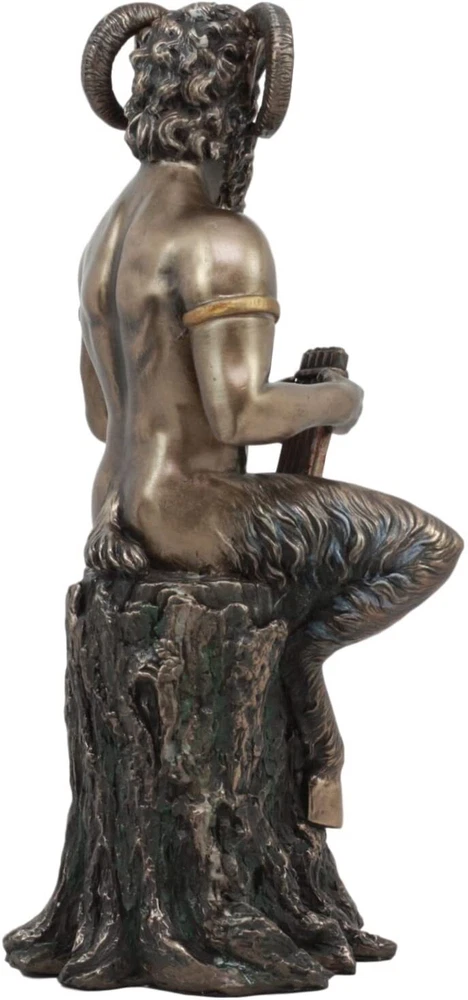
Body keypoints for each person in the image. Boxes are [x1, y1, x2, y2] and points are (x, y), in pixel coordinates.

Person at [80, 3, 463, 826]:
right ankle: (299, 656)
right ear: (243, 107)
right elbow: (241, 416)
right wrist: (336, 401)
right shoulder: (221, 238)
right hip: (194, 513)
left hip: (116, 502)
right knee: (429, 546)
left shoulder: (105, 241)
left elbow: (102, 414)